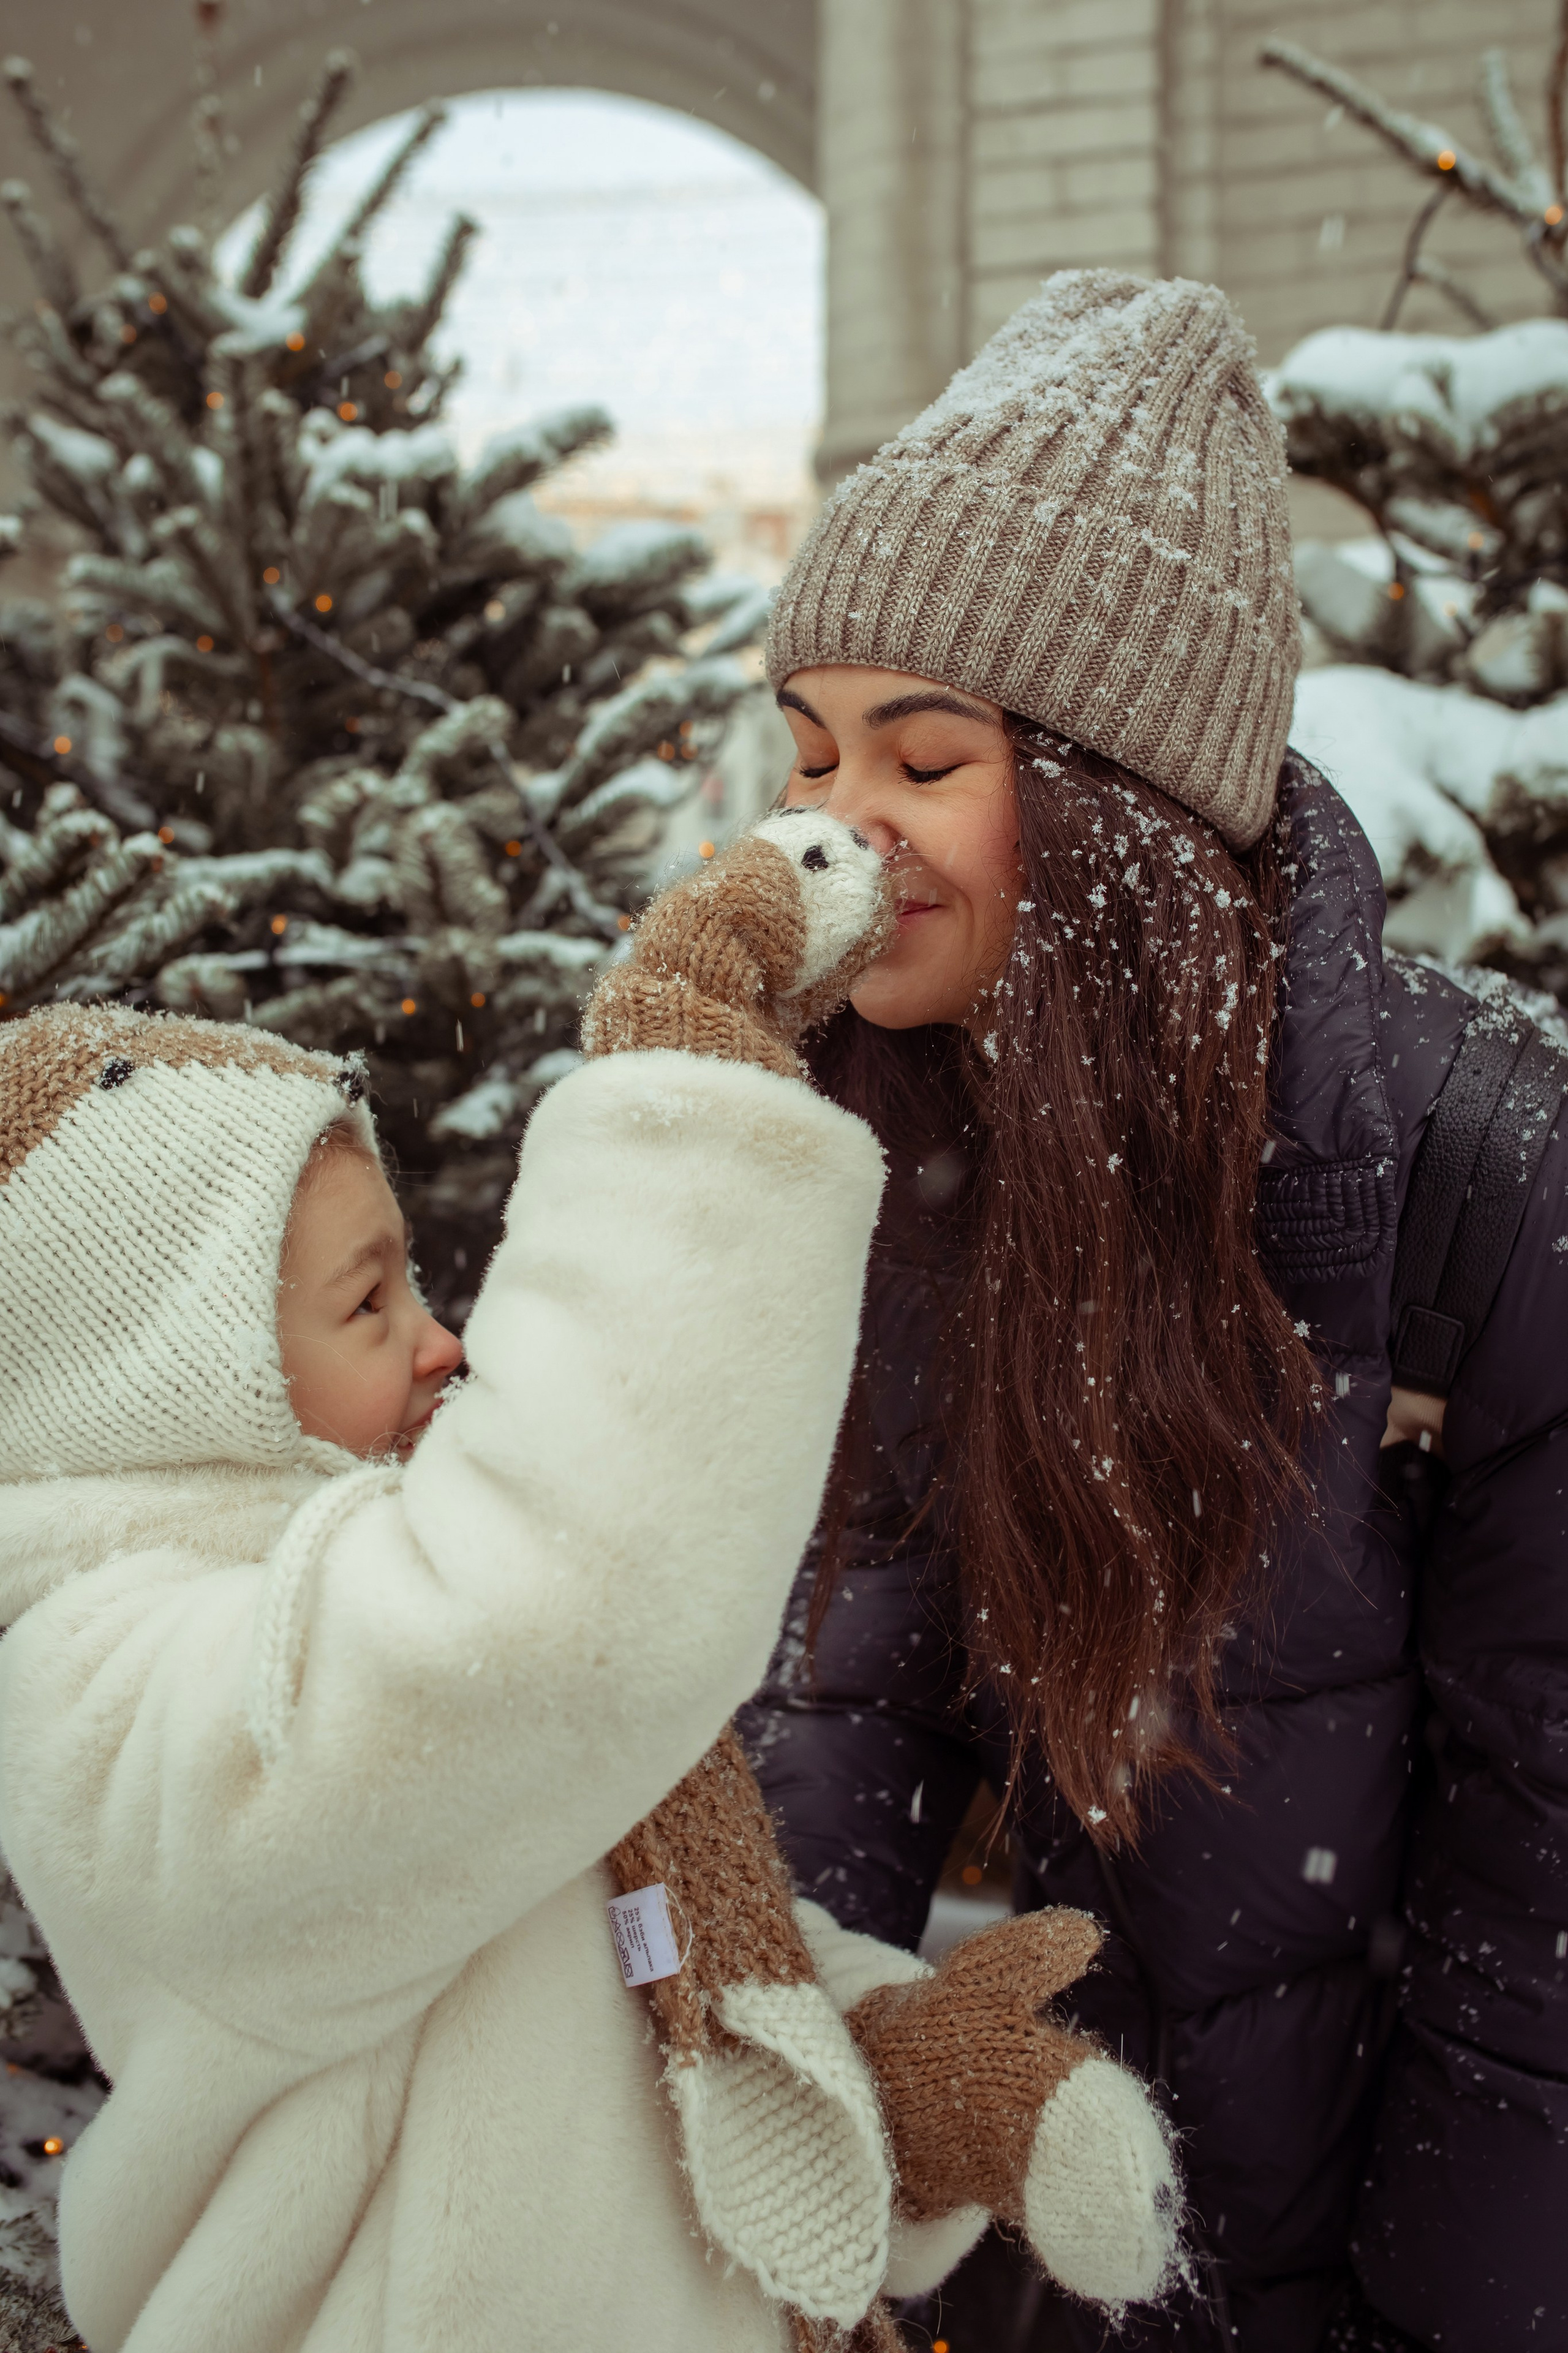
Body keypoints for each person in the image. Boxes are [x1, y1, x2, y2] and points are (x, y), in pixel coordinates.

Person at [0, 812, 1178, 2353]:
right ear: (171, 1376)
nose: (443, 1341)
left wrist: (881, 2059)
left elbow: (621, 1942)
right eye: (371, 1298)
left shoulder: (364, 1597)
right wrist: (682, 1066)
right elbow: (578, 1620)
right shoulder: (132, 1699)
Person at [740, 269, 1568, 2353]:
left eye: (923, 754)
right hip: (1079, 2234)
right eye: (813, 745)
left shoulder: (1482, 1183)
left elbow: (1542, 1908)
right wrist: (764, 2100)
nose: (836, 818)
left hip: (1405, 2241)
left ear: (1125, 817)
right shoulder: (900, 1130)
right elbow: (859, 1691)